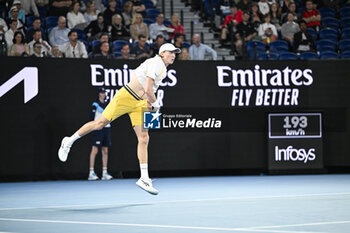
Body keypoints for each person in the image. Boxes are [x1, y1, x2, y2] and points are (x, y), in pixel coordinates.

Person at [58, 43, 180, 195]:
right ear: (162, 53)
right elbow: (148, 88)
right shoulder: (156, 62)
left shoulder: (163, 68)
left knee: (144, 138)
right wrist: (156, 106)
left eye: (175, 52)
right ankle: (68, 141)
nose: (174, 55)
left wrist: (150, 103)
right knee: (100, 123)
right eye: (171, 52)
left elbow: (150, 90)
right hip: (126, 96)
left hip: (140, 103)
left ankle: (144, 178)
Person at [88, 88, 113, 180]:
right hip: (98, 128)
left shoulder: (107, 104)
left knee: (105, 150)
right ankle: (91, 172)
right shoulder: (95, 105)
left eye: (104, 93)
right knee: (95, 150)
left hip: (107, 128)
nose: (103, 94)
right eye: (102, 93)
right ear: (99, 94)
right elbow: (91, 118)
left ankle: (104, 172)